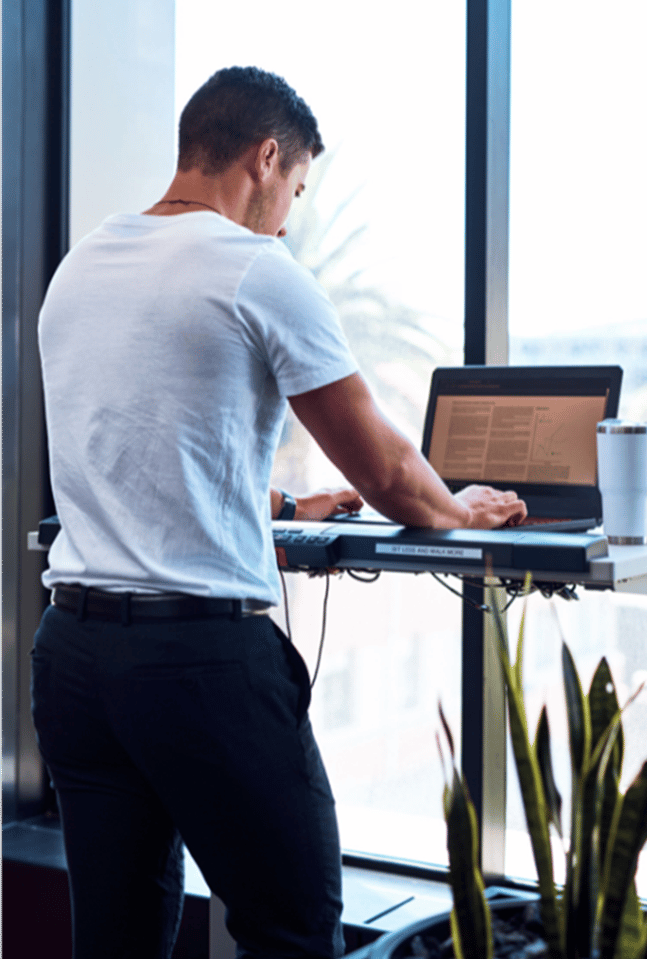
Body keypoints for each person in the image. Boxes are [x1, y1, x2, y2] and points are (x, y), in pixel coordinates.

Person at [31, 66, 526, 959]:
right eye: (294, 187)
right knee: (293, 928)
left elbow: (138, 457)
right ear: (267, 157)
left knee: (117, 939)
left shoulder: (82, 265)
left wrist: (289, 506)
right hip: (197, 663)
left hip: (75, 663)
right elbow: (387, 473)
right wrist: (460, 508)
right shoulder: (255, 269)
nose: (290, 215)